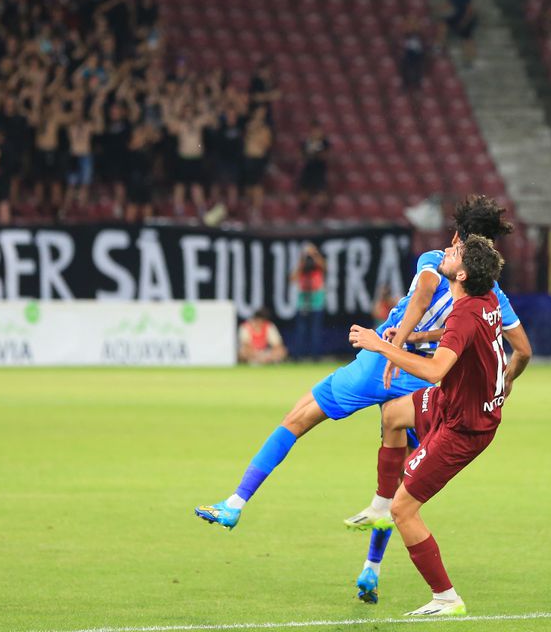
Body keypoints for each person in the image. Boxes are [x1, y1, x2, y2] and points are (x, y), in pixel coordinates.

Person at [194, 196, 531, 533]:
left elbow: (424, 292)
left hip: (382, 363)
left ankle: (235, 503)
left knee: (297, 419)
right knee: (398, 465)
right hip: (423, 377)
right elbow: (522, 349)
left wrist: (393, 345)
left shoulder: (436, 259)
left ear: (458, 238)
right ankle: (371, 567)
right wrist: (505, 381)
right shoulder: (492, 294)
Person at [346, 234, 506, 617]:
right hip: (458, 402)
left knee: (406, 511)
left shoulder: (466, 313)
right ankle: (380, 504)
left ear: (463, 273)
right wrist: (417, 336)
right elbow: (458, 338)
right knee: (393, 415)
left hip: (464, 427)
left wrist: (381, 345)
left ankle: (446, 597)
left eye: (455, 253)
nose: (448, 251)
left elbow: (435, 370)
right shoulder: (484, 301)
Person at [291, 243, 327, 359]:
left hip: (316, 302)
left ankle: (316, 356)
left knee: (315, 331)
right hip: (303, 303)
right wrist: (303, 258)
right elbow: (292, 278)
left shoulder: (318, 268)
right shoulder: (302, 268)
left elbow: (325, 267)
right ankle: (299, 355)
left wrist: (314, 255)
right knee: (301, 331)